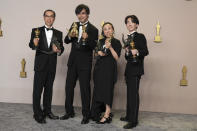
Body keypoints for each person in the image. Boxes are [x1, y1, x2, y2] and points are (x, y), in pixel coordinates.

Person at [60, 4, 98, 124]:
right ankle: (69, 112)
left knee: (85, 89)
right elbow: (66, 41)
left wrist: (87, 39)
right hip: (73, 62)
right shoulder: (74, 25)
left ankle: (86, 115)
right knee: (68, 88)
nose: (80, 15)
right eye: (78, 13)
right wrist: (69, 36)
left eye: (83, 13)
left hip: (85, 63)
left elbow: (94, 46)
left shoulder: (94, 29)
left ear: (87, 14)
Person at [29, 9, 64, 124]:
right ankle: (37, 114)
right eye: (47, 16)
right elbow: (31, 45)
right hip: (40, 64)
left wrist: (58, 50)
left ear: (54, 18)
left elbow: (61, 49)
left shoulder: (59, 33)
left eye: (52, 16)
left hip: (52, 64)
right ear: (44, 17)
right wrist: (34, 43)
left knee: (49, 90)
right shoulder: (36, 31)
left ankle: (47, 111)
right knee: (37, 90)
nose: (49, 18)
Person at [120, 15, 149, 129]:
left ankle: (134, 120)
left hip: (136, 70)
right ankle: (128, 116)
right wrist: (127, 52)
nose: (129, 24)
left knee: (134, 95)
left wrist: (136, 52)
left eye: (132, 22)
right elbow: (128, 58)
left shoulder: (140, 36)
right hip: (129, 70)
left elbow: (145, 51)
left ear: (137, 24)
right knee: (129, 94)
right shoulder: (127, 39)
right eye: (127, 22)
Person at [91, 22, 122, 124]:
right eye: (105, 29)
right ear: (103, 32)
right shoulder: (100, 41)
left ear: (113, 30)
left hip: (109, 69)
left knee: (108, 91)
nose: (107, 30)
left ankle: (107, 114)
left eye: (109, 28)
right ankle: (96, 112)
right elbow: (95, 55)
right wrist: (98, 53)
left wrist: (111, 47)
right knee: (98, 90)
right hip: (99, 69)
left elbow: (116, 57)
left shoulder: (117, 42)